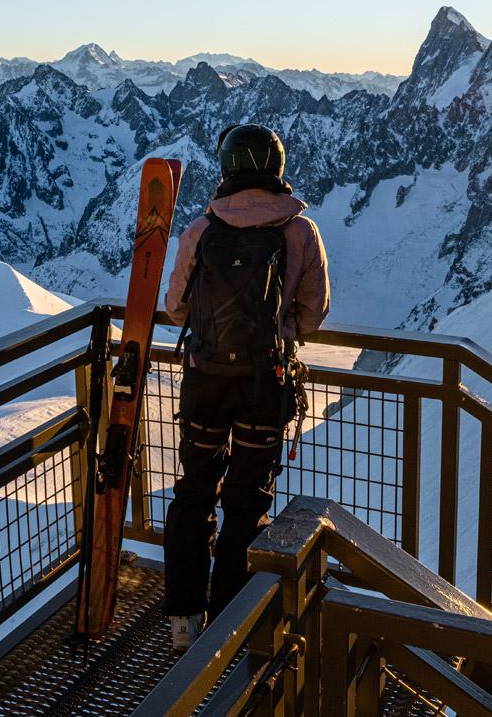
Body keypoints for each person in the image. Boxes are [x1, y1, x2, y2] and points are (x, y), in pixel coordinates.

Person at [162, 123, 330, 651]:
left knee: (194, 492)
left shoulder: (201, 229)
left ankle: (183, 620)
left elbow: (176, 307)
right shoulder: (300, 231)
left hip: (205, 381)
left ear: (226, 168)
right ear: (277, 168)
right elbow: (313, 316)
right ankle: (230, 625)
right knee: (247, 499)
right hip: (264, 385)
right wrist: (279, 327)